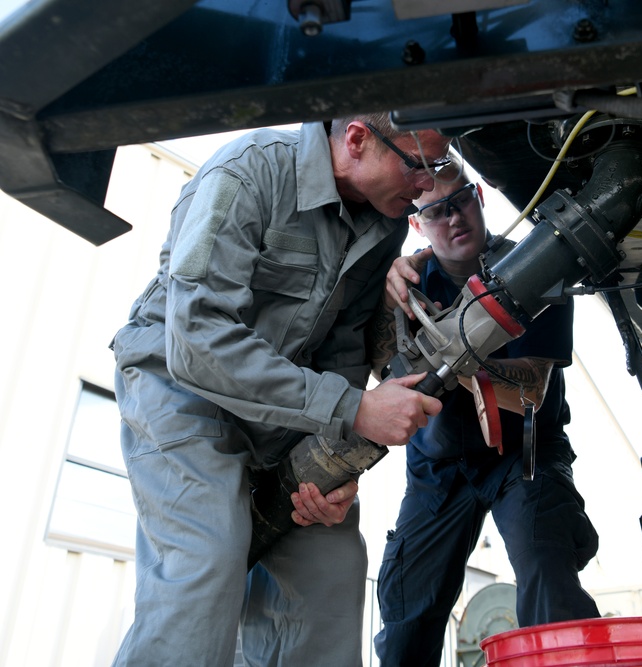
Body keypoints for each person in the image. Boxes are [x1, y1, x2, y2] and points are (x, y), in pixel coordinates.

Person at [109, 113, 451, 667]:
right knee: (209, 555)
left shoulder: (384, 223)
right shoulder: (248, 172)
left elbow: (341, 349)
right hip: (181, 389)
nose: (427, 186)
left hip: (282, 410)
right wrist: (352, 409)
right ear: (359, 138)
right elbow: (197, 337)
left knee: (332, 567)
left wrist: (336, 468)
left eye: (435, 168)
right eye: (418, 165)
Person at [368, 160, 601, 666]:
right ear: (416, 223)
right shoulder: (402, 286)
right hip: (436, 471)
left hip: (523, 458)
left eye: (460, 203)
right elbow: (377, 374)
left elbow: (527, 378)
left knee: (547, 575)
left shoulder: (537, 269)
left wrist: (437, 350)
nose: (452, 219)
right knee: (406, 617)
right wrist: (382, 290)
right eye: (435, 212)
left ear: (479, 197)